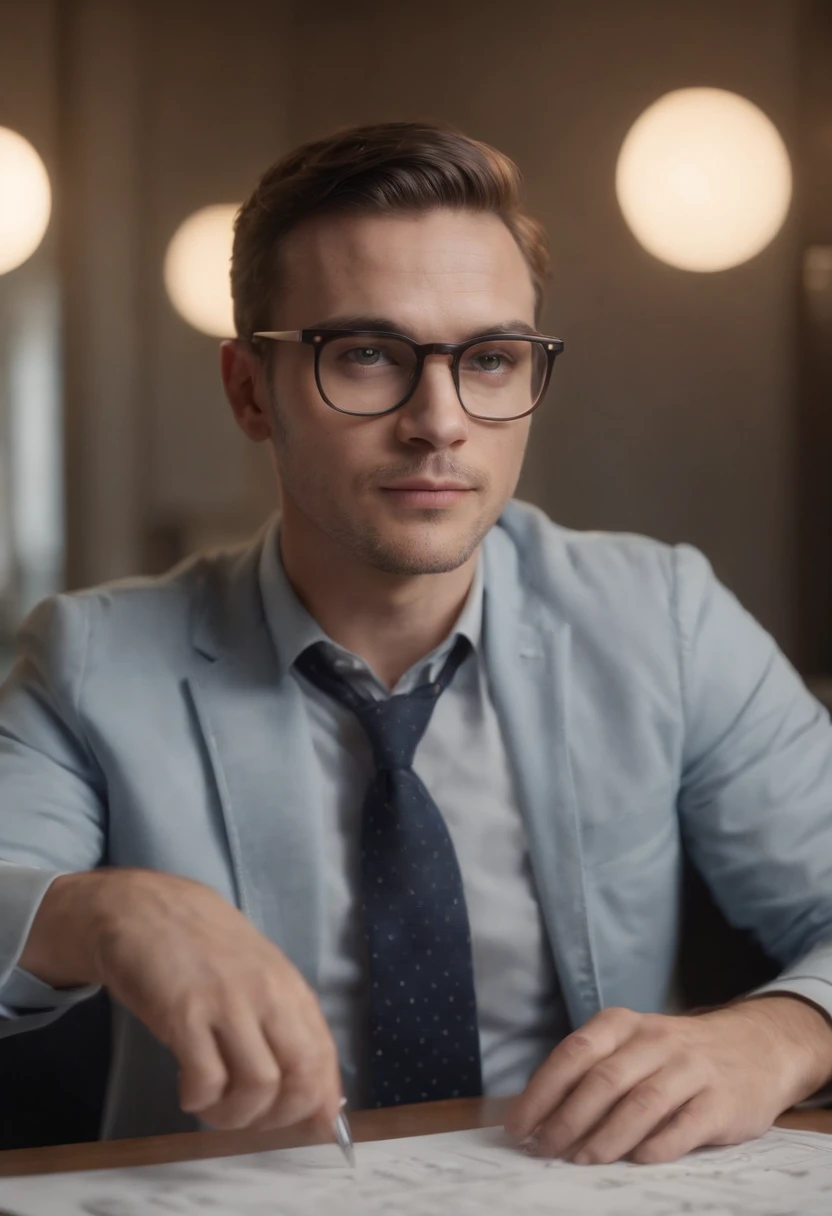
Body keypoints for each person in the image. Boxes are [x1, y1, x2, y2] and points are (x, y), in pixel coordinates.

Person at [1, 121, 832, 1167]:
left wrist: (784, 1034)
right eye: (365, 354)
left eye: (488, 358)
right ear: (249, 391)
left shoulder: (661, 616)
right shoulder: (92, 655)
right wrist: (99, 912)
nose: (439, 421)